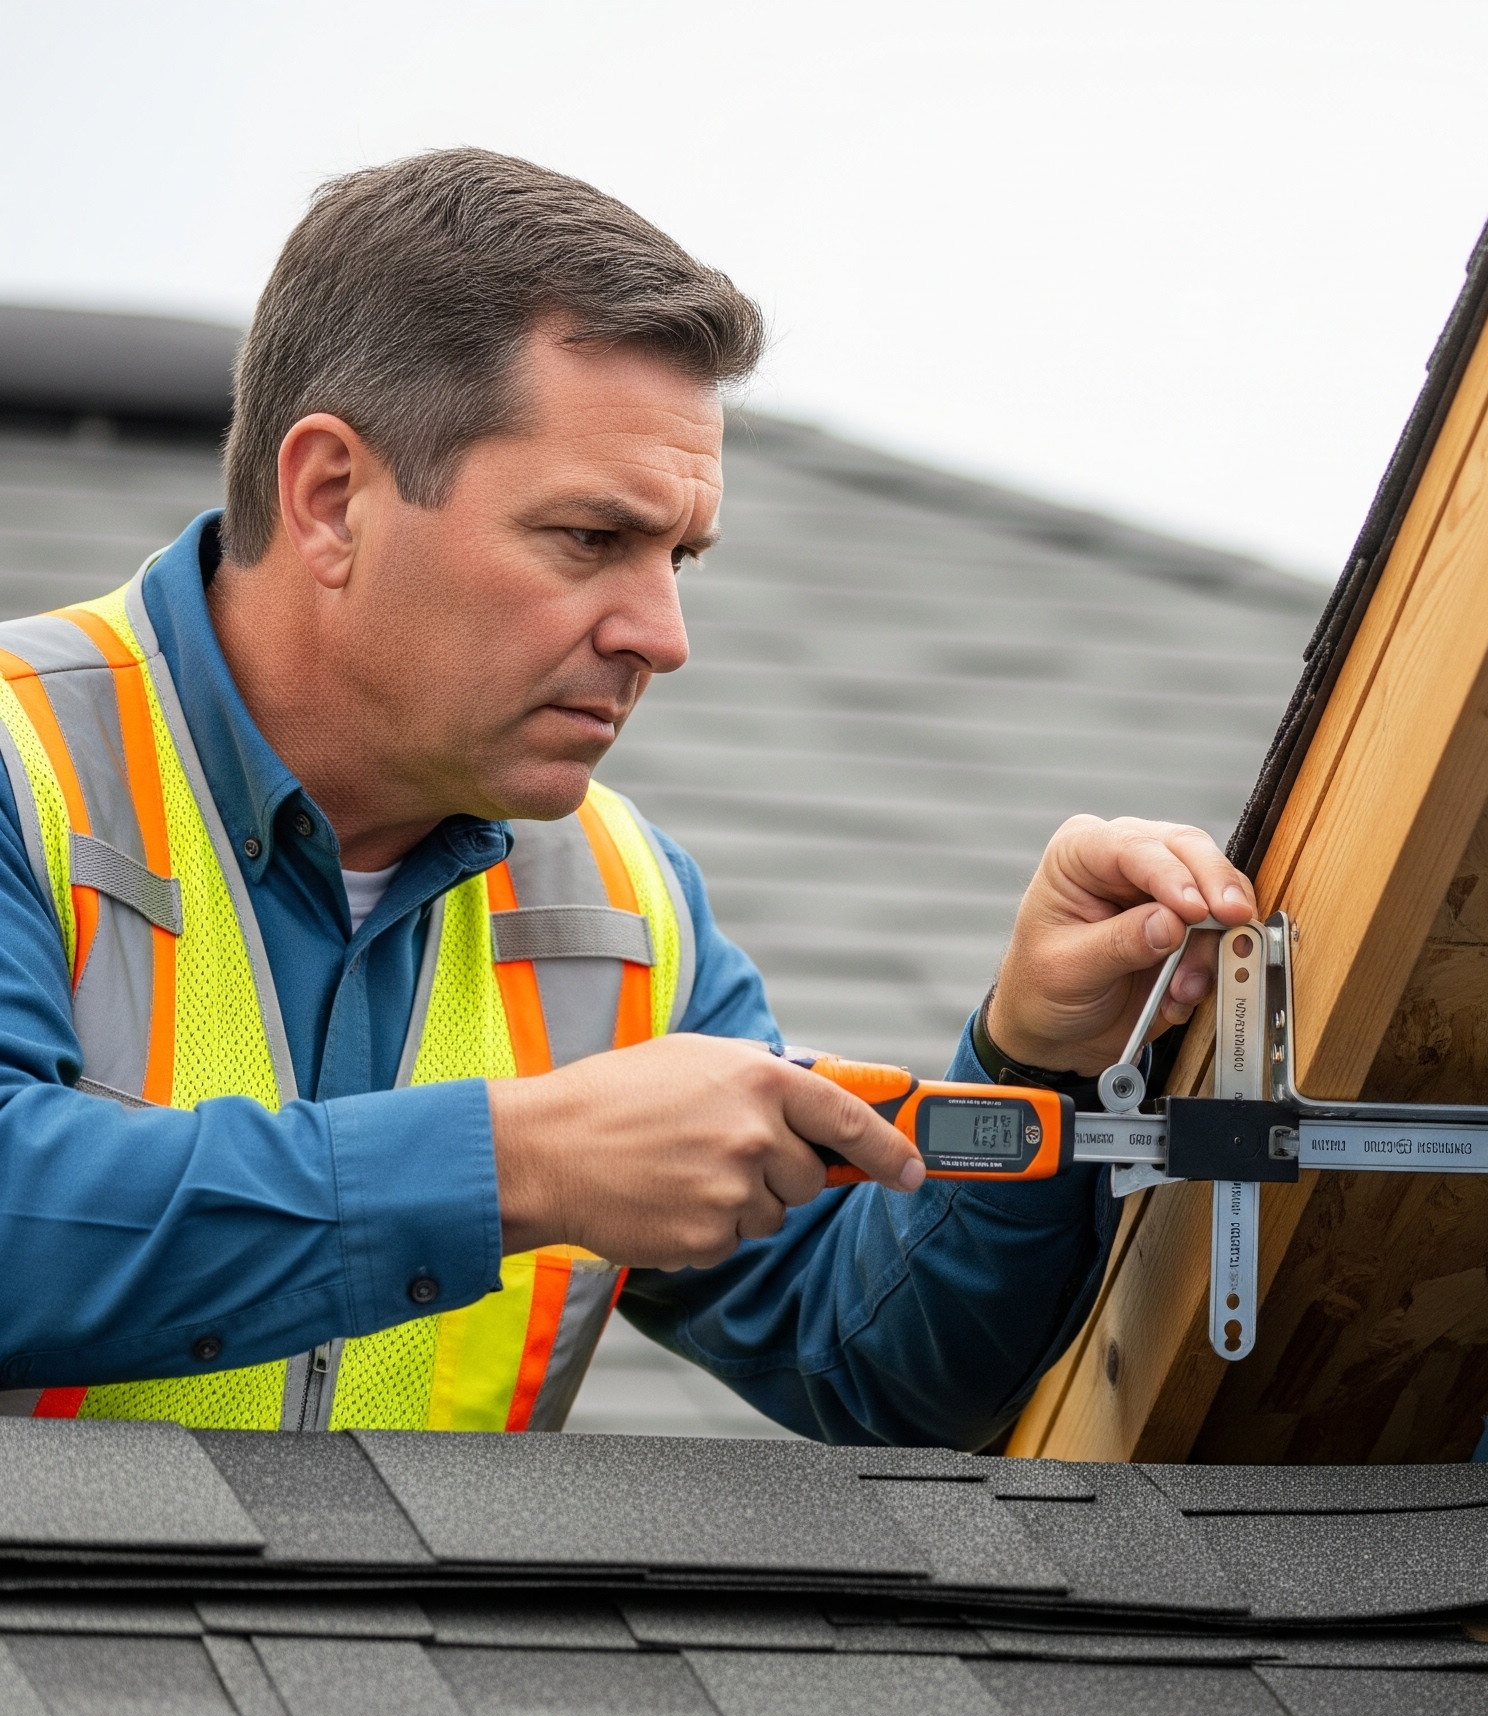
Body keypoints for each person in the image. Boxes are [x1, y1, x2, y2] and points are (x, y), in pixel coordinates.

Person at [0, 149, 1254, 1446]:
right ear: (331, 498)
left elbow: (871, 1367)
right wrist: (522, 1165)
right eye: (591, 540)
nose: (662, 635)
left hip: (379, 1658)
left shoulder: (619, 907)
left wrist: (1037, 1054)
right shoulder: (21, 759)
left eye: (680, 556)